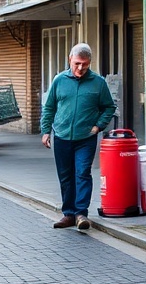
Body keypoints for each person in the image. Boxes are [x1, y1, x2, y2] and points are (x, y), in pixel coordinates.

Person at [40, 43, 116, 231]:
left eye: (85, 64)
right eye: (77, 64)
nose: (80, 68)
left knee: (82, 173)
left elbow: (109, 107)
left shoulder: (98, 82)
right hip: (62, 135)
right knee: (65, 176)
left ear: (90, 62)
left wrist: (98, 126)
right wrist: (45, 131)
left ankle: (81, 213)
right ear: (69, 60)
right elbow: (49, 107)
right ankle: (68, 214)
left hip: (85, 137)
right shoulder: (59, 80)